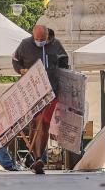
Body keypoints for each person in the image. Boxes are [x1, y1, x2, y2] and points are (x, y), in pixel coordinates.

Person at [12, 24, 69, 174]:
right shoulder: (25, 45)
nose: (39, 41)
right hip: (32, 91)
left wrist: (62, 74)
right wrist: (21, 70)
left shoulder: (56, 45)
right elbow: (15, 60)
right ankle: (36, 157)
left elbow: (65, 62)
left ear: (47, 36)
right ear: (32, 36)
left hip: (52, 91)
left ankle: (38, 158)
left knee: (44, 123)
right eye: (36, 39)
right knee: (34, 123)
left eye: (42, 39)